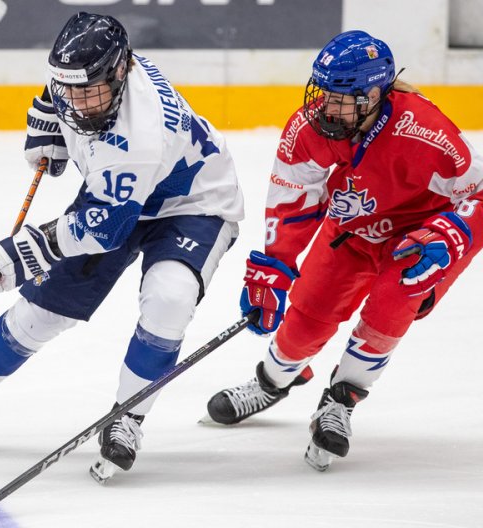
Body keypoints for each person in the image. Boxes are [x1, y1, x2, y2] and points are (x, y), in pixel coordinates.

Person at [0, 12, 243, 482]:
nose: (77, 101)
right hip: (123, 194)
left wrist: (29, 251)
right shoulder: (89, 76)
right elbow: (64, 92)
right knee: (42, 312)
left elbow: (102, 229)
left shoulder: (139, 136)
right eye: (67, 90)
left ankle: (128, 417)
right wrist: (50, 119)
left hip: (192, 204)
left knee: (169, 297)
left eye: (87, 91)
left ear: (121, 71)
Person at [206, 30, 483, 471]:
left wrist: (452, 235)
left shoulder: (426, 131)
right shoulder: (308, 127)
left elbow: (480, 194)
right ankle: (273, 382)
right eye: (323, 94)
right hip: (350, 232)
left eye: (342, 98)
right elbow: (293, 198)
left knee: (389, 312)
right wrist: (276, 265)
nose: (326, 107)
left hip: (419, 241)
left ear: (374, 94)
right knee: (303, 323)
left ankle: (341, 402)